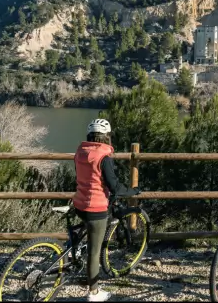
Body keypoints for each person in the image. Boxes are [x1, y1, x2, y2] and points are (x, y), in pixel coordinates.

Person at [73, 118, 138, 302]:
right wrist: (132, 191)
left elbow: (81, 177)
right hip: (96, 208)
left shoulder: (80, 152)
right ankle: (93, 293)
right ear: (106, 137)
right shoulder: (104, 157)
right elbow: (115, 187)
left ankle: (74, 257)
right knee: (94, 252)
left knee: (87, 233)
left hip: (79, 203)